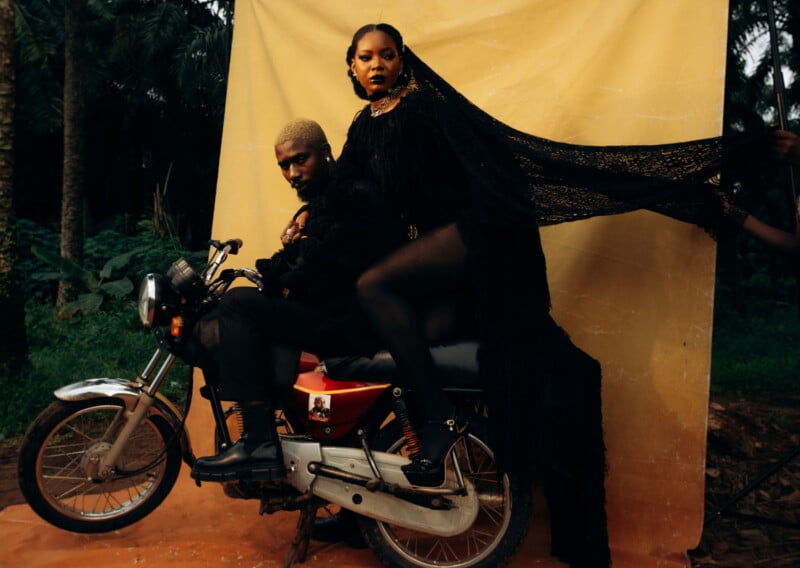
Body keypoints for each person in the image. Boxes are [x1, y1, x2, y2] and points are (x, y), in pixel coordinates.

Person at [328, 23, 767, 568]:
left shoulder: (424, 108)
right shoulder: (362, 126)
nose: (377, 65)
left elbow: (493, 160)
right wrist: (308, 214)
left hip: (477, 233)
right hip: (438, 252)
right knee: (427, 337)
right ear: (351, 66)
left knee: (376, 288)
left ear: (402, 61)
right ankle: (364, 497)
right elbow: (342, 188)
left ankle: (439, 422)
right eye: (365, 57)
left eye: (387, 55)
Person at [189, 118, 391, 483]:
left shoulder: (350, 194)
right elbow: (307, 261)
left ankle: (259, 440)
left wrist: (292, 257)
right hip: (335, 312)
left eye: (301, 160)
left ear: (325, 152)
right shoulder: (323, 201)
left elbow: (336, 266)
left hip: (347, 321)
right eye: (284, 165)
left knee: (237, 305)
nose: (293, 172)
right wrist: (288, 253)